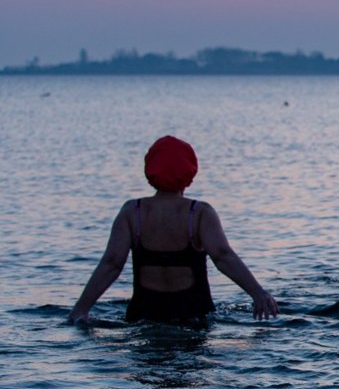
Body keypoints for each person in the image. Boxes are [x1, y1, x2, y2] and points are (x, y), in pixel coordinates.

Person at [68, 135, 278, 324]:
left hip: (143, 316)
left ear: (149, 170)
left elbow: (111, 264)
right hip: (194, 316)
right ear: (190, 171)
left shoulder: (133, 213)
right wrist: (257, 293)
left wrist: (81, 309)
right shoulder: (199, 214)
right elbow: (223, 256)